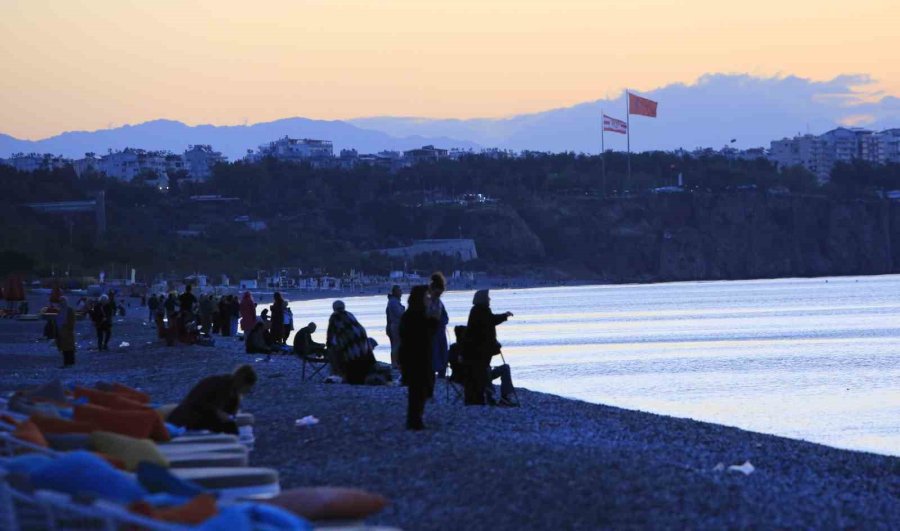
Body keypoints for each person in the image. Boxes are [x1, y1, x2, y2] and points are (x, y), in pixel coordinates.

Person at [168, 365, 258, 435]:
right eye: (248, 387)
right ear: (242, 383)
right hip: (187, 418)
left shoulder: (232, 391)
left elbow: (229, 413)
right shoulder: (221, 385)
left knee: (229, 425)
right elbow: (202, 405)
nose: (248, 391)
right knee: (230, 427)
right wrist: (219, 413)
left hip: (197, 415)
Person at [464, 289, 516, 406]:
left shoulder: (479, 310)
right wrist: (505, 316)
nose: (489, 299)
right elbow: (490, 321)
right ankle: (493, 397)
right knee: (484, 370)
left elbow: (488, 324)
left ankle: (496, 396)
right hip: (480, 353)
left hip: (483, 352)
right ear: (483, 299)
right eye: (488, 297)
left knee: (486, 369)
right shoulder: (479, 311)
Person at [399, 285, 438, 430]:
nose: (428, 299)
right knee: (418, 389)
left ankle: (415, 419)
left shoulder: (410, 314)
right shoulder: (417, 315)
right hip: (416, 356)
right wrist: (434, 320)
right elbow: (427, 333)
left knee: (417, 389)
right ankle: (415, 420)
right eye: (426, 297)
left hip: (413, 356)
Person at [326, 300, 372, 381]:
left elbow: (330, 332)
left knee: (335, 353)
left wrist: (328, 344)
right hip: (361, 340)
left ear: (334, 308)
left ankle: (339, 373)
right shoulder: (349, 314)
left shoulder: (335, 316)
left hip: (348, 341)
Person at [428, 273, 450, 378]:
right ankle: (433, 373)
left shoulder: (439, 302)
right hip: (432, 332)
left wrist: (442, 321)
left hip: (440, 330)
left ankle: (441, 374)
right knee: (434, 352)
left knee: (442, 353)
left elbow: (445, 317)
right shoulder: (428, 301)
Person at [385, 285, 404, 369]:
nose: (401, 292)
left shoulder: (394, 301)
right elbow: (399, 314)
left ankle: (396, 362)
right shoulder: (393, 302)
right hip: (396, 326)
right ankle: (395, 363)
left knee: (396, 345)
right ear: (395, 292)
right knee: (396, 345)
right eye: (399, 290)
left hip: (395, 326)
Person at [55, 296, 76, 368]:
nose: (62, 303)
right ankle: (66, 363)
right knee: (64, 348)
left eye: (63, 301)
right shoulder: (60, 310)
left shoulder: (70, 310)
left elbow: (72, 321)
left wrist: (69, 329)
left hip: (67, 331)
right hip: (61, 331)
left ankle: (70, 363)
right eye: (61, 301)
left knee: (69, 348)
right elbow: (58, 321)